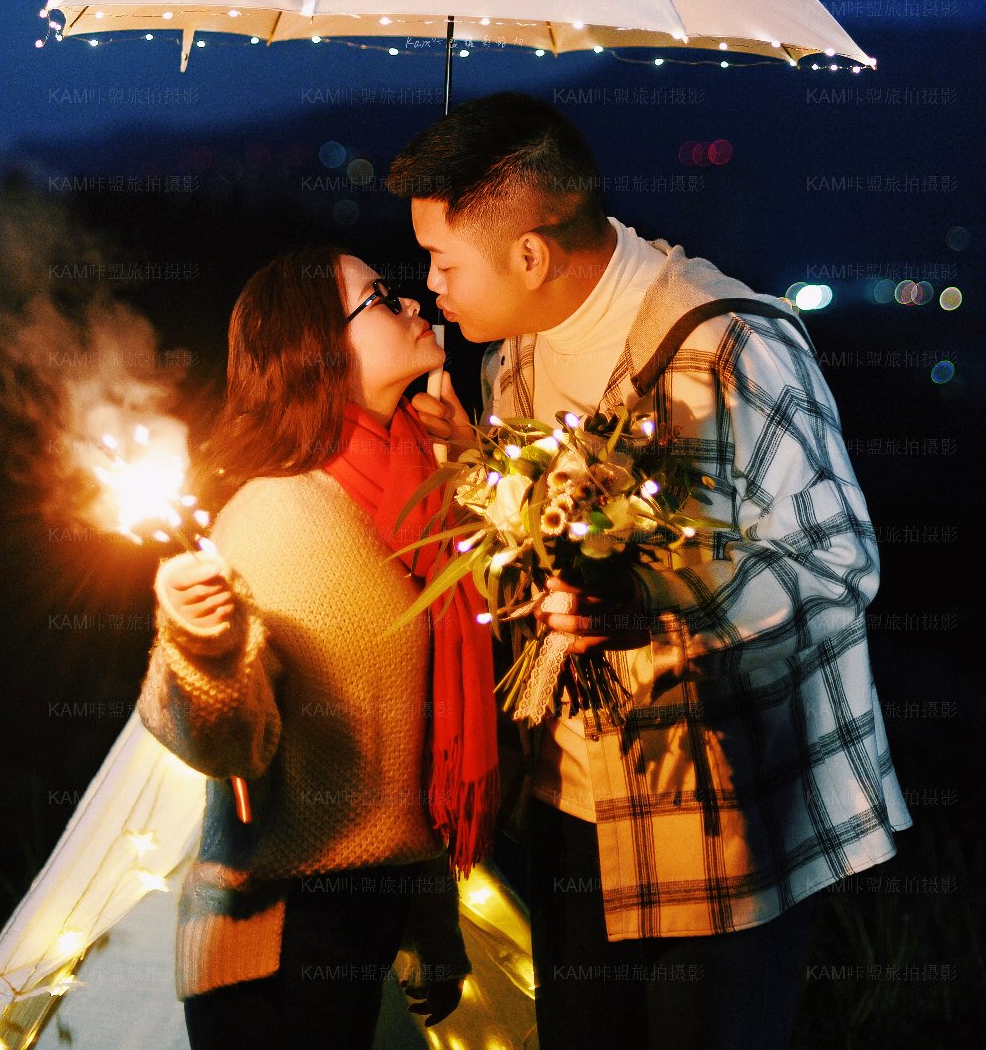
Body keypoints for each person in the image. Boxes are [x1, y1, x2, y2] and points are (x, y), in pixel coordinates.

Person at [386, 92, 914, 1050]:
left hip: (716, 817)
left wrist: (656, 609)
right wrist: (471, 469)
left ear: (530, 254)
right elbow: (539, 564)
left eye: (443, 260)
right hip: (567, 799)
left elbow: (839, 568)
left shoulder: (725, 345)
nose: (430, 285)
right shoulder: (515, 354)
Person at [135, 243, 499, 1050]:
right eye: (381, 299)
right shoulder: (277, 515)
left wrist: (429, 921)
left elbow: (401, 750)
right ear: (319, 350)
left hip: (358, 927)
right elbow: (229, 745)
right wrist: (202, 644)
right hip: (273, 946)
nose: (412, 304)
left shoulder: (408, 491)